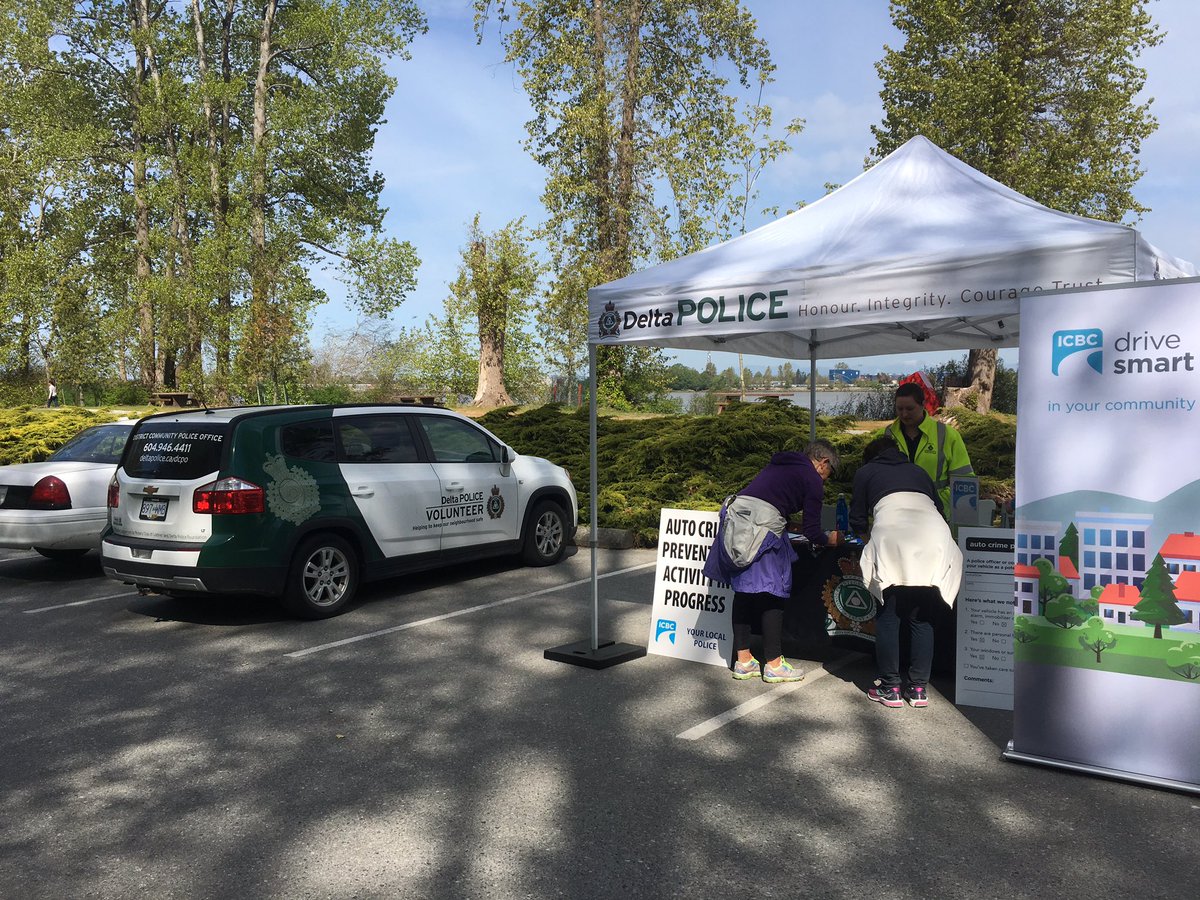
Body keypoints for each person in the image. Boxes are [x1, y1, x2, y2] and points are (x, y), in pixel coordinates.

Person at [703, 439, 842, 684]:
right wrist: (829, 539)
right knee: (772, 594)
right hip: (763, 530)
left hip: (737, 520)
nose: (824, 481)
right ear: (823, 463)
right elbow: (812, 530)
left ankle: (744, 661)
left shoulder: (780, 464)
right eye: (827, 475)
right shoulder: (811, 478)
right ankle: (775, 664)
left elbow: (770, 497)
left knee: (743, 593)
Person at [850, 435, 963, 708]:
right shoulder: (919, 471)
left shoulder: (866, 472)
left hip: (891, 536)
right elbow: (940, 510)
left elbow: (856, 519)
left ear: (871, 457)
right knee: (922, 619)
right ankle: (919, 689)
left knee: (889, 617)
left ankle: (891, 688)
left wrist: (867, 541)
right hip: (935, 538)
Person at [886, 381, 973, 520]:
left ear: (923, 405)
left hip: (937, 514)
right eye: (899, 408)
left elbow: (965, 482)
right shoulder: (885, 436)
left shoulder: (947, 435)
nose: (904, 414)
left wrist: (941, 502)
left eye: (909, 408)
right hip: (895, 514)